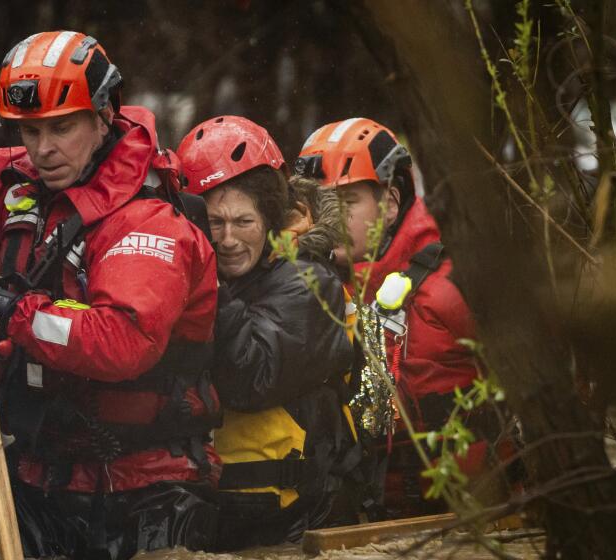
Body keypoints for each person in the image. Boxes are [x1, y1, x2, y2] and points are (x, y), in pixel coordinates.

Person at [0, 4, 221, 558]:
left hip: (146, 491)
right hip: (42, 480)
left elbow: (123, 343)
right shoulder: (21, 185)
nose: (43, 148)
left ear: (104, 115)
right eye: (29, 130)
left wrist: (2, 310)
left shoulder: (150, 221)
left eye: (61, 127)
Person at [296, 118, 508, 518]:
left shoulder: (454, 284)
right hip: (370, 519)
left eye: (345, 204)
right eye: (317, 205)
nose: (328, 221)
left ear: (390, 204)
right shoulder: (306, 287)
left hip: (475, 514)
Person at [177, 116, 357, 549]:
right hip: (220, 515)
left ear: (272, 218)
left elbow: (251, 377)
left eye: (243, 222)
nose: (226, 239)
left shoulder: (310, 283)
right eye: (213, 223)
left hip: (296, 522)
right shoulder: (210, 279)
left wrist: (205, 281)